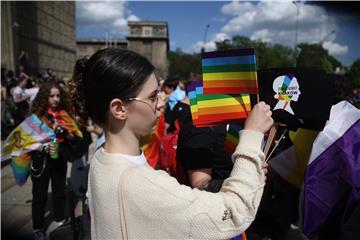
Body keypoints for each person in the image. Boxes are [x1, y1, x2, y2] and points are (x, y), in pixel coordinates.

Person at [71, 48, 274, 239]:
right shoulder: (141, 183)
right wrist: (252, 135)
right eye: (152, 97)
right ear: (119, 109)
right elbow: (234, 213)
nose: (161, 103)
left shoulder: (102, 157)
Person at [27, 82, 84, 240]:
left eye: (58, 95)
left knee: (60, 191)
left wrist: (67, 134)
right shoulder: (36, 116)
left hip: (60, 158)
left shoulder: (64, 115)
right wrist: (43, 148)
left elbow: (75, 137)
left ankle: (60, 219)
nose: (56, 99)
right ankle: (38, 227)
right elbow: (26, 142)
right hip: (42, 160)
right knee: (39, 195)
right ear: (45, 96)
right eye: (52, 96)